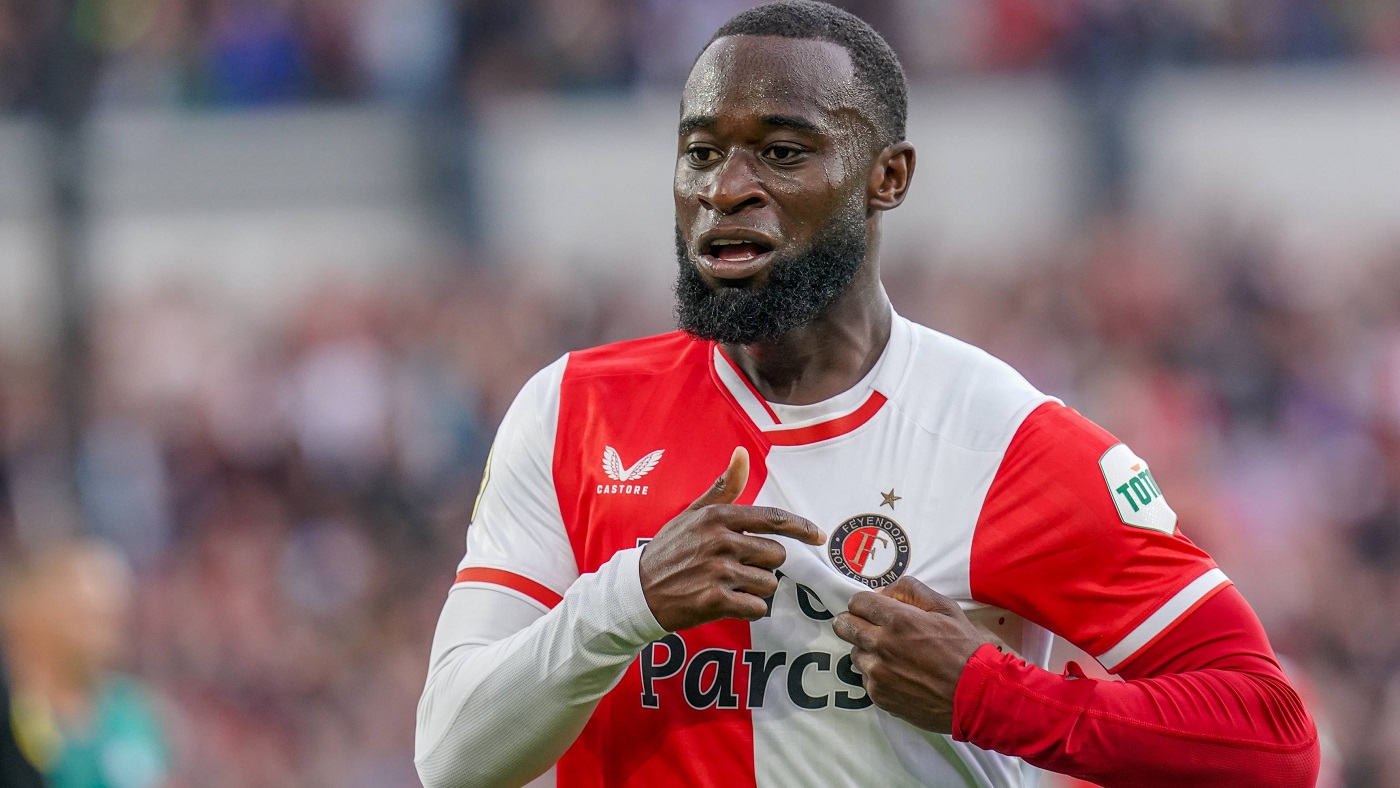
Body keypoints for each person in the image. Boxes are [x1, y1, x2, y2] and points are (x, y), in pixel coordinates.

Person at [414, 2, 1320, 786]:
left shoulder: (1003, 441)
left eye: (781, 152)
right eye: (701, 153)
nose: (727, 189)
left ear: (888, 177)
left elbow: (1273, 738)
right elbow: (452, 754)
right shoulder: (573, 412)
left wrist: (991, 695)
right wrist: (631, 599)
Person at [0, 540, 169, 788]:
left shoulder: (131, 711)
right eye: (86, 618)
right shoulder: (18, 712)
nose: (102, 636)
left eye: (112, 618)